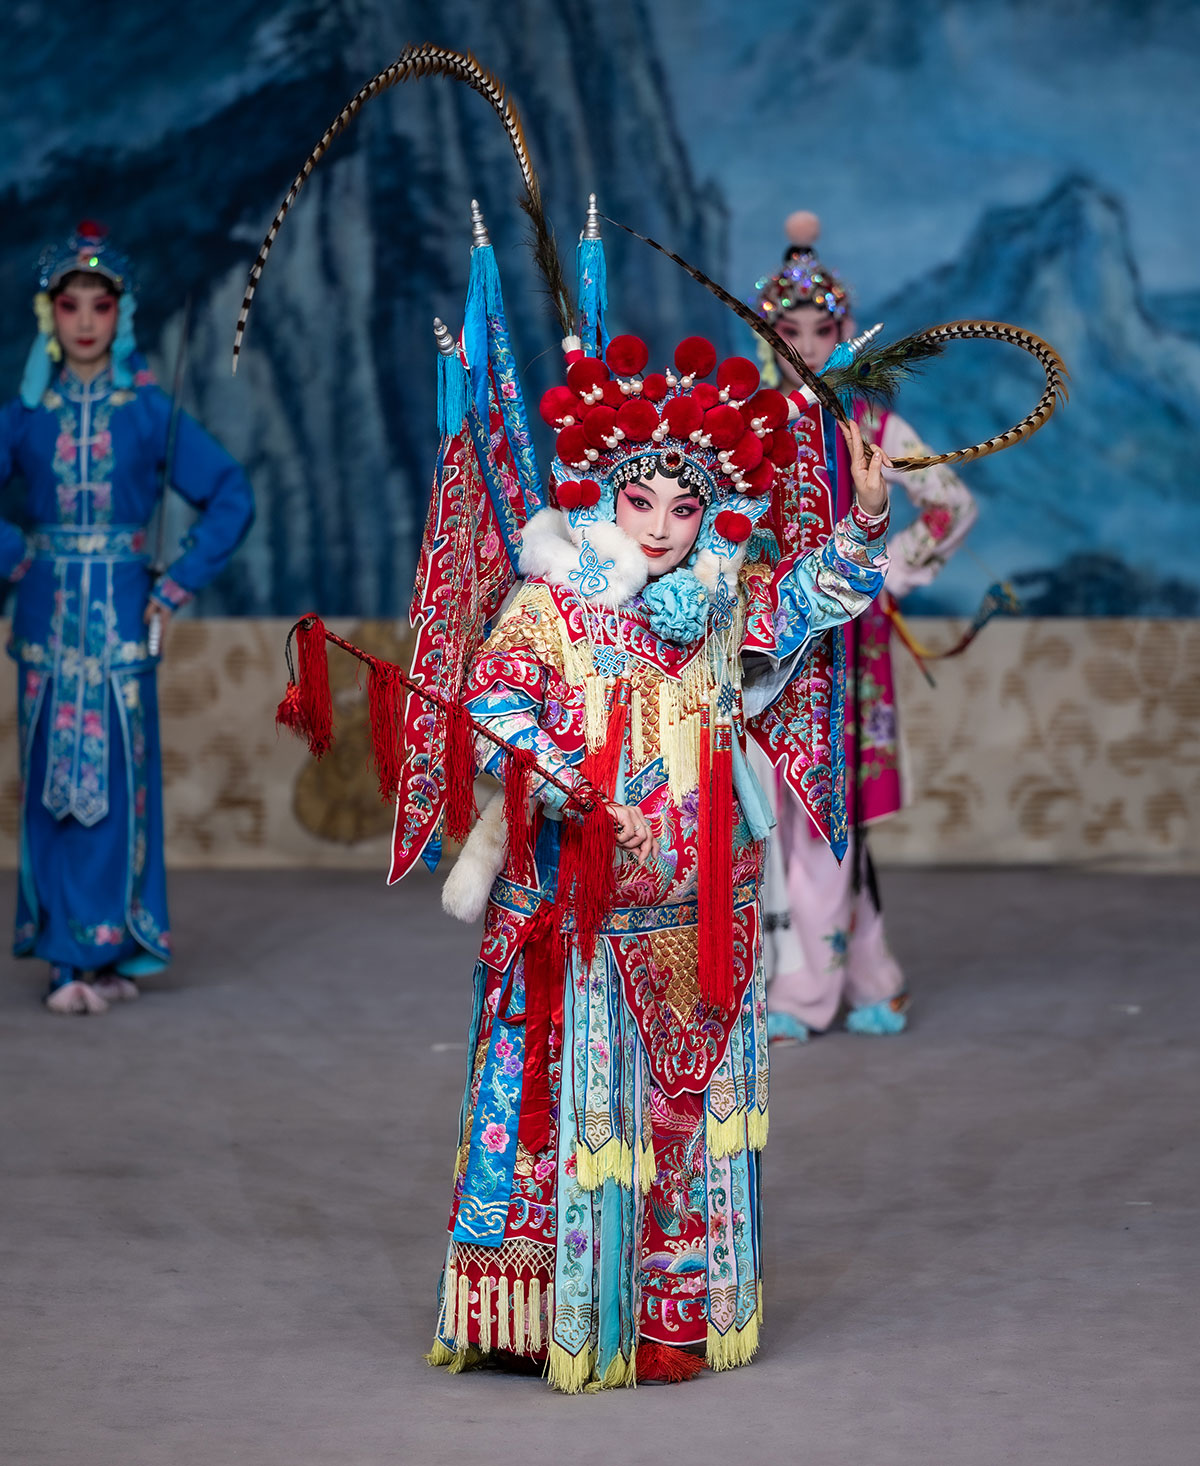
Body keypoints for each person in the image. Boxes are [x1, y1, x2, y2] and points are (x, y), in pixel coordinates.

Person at [0, 222, 254, 1014]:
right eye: (69, 304)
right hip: (44, 618)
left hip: (121, 615)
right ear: (51, 316)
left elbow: (229, 496)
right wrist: (16, 556)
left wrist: (173, 588)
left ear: (121, 314)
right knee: (51, 784)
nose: (83, 320)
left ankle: (107, 948)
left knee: (115, 782)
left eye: (99, 305)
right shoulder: (24, 415)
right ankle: (64, 955)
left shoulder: (147, 413)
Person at [750, 212, 979, 1043]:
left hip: (848, 652)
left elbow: (949, 505)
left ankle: (805, 994)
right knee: (777, 815)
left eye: (823, 329)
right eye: (790, 330)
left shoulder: (875, 428)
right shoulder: (747, 430)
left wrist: (884, 576)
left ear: (846, 332)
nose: (807, 345)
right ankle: (871, 978)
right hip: (772, 652)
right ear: (767, 333)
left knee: (827, 816)